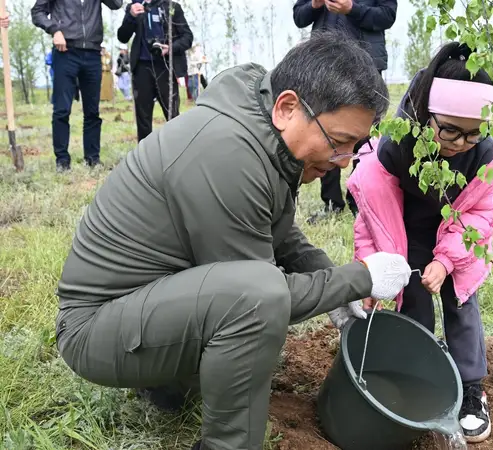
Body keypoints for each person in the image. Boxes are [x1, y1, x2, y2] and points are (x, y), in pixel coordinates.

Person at [54, 31, 410, 450]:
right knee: (257, 299)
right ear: (287, 108)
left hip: (142, 305)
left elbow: (273, 229)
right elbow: (262, 297)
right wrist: (358, 278)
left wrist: (329, 278)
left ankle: (167, 384)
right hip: (95, 329)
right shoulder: (228, 154)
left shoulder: (258, 124)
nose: (343, 162)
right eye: (338, 143)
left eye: (354, 147)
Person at [347, 42, 493, 444]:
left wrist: (447, 260)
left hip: (458, 234)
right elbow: (373, 215)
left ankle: (470, 388)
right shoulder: (396, 147)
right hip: (405, 231)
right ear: (426, 114)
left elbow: (479, 214)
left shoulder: (483, 155)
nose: (461, 143)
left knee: (461, 303)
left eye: (474, 133)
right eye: (450, 130)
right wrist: (371, 272)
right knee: (411, 298)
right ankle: (418, 374)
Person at [293, 0, 398, 222]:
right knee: (325, 131)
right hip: (324, 64)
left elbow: (387, 16)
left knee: (365, 138)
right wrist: (315, 5)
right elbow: (299, 16)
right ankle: (332, 204)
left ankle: (360, 202)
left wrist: (352, 9)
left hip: (366, 65)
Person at [31, 0, 123, 172]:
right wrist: (54, 29)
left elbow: (116, 4)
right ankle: (62, 162)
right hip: (65, 51)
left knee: (92, 112)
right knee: (62, 110)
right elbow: (37, 12)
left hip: (93, 52)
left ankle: (93, 159)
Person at [117, 0, 194, 142]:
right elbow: (122, 37)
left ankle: (177, 150)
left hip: (165, 67)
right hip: (142, 67)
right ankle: (144, 153)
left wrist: (170, 48)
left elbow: (187, 37)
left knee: (172, 115)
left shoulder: (171, 7)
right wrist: (131, 16)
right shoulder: (134, 7)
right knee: (143, 118)